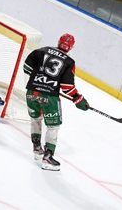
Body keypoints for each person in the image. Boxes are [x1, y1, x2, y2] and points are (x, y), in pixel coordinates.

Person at [23, 33, 90, 171]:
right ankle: (47, 157)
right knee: (53, 127)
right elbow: (67, 87)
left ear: (58, 41)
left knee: (35, 119)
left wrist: (39, 80)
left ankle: (37, 149)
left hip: (31, 92)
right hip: (49, 98)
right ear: (71, 46)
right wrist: (78, 98)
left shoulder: (42, 50)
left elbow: (27, 68)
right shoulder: (69, 62)